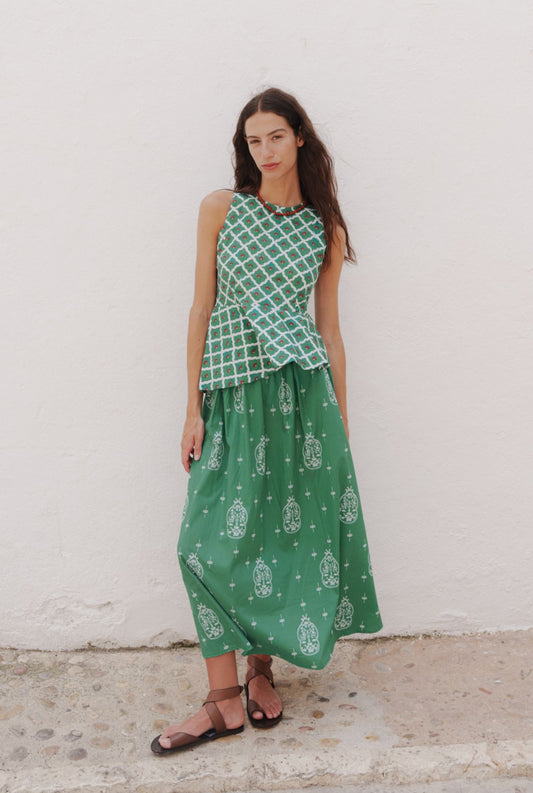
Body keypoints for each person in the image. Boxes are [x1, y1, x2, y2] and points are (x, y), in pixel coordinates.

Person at [151, 87, 382, 755]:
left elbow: (329, 331)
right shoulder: (221, 209)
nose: (265, 151)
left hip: (300, 396)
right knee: (201, 544)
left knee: (279, 533)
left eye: (276, 136)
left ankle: (257, 674)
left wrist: (339, 420)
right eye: (254, 141)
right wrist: (191, 407)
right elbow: (201, 309)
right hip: (228, 393)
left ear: (299, 136)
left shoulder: (323, 228)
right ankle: (222, 700)